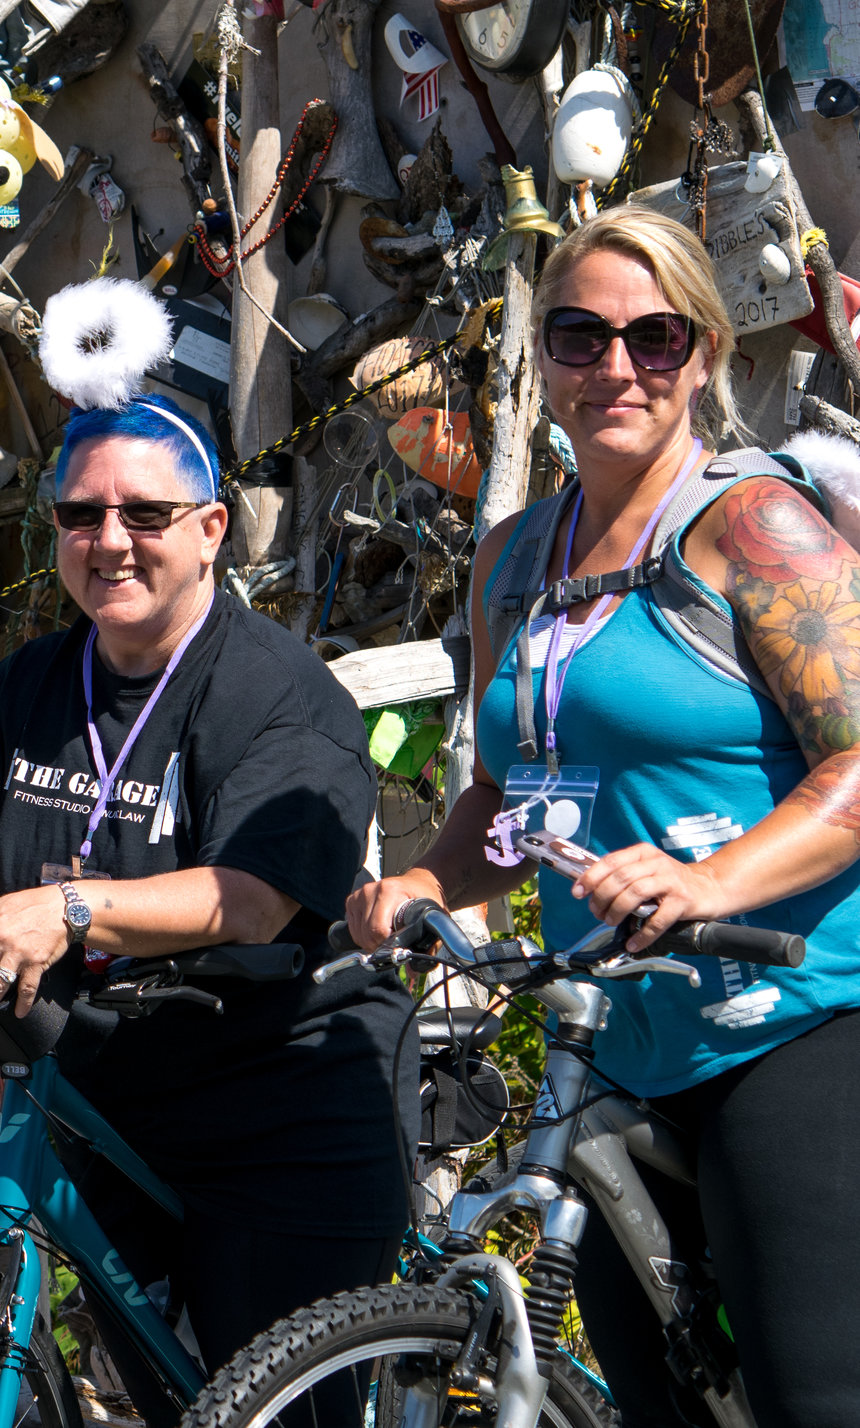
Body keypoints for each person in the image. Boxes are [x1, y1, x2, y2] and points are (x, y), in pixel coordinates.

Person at [0, 395, 411, 1423]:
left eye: (145, 515)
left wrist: (68, 909)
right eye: (80, 517)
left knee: (273, 1412)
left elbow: (247, 900)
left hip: (280, 1104)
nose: (109, 541)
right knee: (170, 1402)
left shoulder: (279, 694)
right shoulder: (35, 675)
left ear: (211, 530)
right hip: (110, 1095)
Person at [350, 207, 860, 1427]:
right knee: (657, 1403)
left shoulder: (754, 528)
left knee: (815, 1396)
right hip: (616, 1041)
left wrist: (710, 880)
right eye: (580, 335)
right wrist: (428, 882)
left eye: (653, 337)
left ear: (702, 355)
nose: (617, 367)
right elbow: (502, 792)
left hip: (790, 1023)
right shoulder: (515, 560)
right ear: (544, 356)